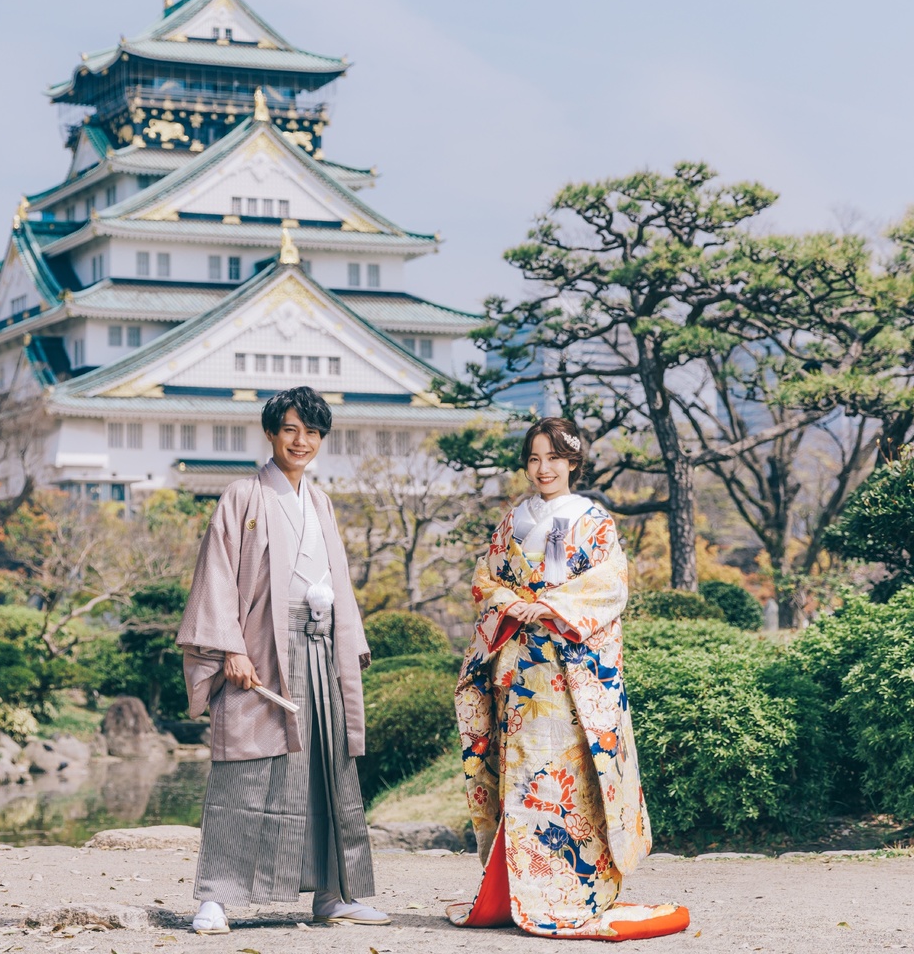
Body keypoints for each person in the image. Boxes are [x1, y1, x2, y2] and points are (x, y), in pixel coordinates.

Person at [447, 417, 689, 941]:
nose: (543, 469)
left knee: (568, 776)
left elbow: (609, 585)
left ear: (573, 462)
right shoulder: (513, 520)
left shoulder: (593, 519)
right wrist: (509, 602)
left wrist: (553, 604)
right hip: (519, 665)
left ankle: (573, 888)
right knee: (520, 775)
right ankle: (517, 888)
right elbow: (485, 578)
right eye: (534, 459)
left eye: (553, 458)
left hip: (570, 670)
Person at [177, 386, 389, 934]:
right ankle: (216, 899)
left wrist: (347, 641)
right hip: (261, 648)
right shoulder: (242, 495)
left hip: (320, 644)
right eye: (291, 429)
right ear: (271, 432)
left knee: (326, 767)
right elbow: (218, 574)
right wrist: (229, 648)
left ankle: (334, 894)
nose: (302, 441)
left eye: (313, 432)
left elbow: (338, 580)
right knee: (246, 765)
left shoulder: (319, 502)